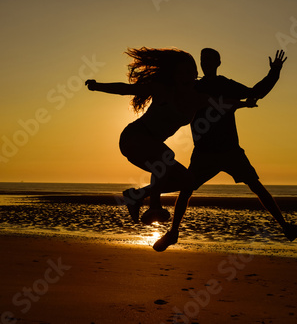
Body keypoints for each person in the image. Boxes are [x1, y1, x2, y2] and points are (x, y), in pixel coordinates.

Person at [152, 48, 297, 252]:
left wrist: (274, 72)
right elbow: (170, 93)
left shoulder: (225, 84)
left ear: (218, 62)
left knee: (256, 185)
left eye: (209, 59)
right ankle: (173, 233)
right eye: (203, 60)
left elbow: (255, 92)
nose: (205, 63)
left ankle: (286, 227)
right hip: (204, 151)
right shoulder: (193, 87)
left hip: (229, 150)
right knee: (186, 190)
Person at [85, 47, 248, 224]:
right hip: (133, 138)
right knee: (165, 156)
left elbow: (222, 104)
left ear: (195, 73)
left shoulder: (198, 99)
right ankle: (154, 206)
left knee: (188, 181)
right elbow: (125, 89)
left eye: (189, 72)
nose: (185, 77)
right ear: (174, 75)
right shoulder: (163, 90)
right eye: (180, 73)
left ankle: (135, 195)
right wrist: (97, 86)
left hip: (152, 147)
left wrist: (244, 104)